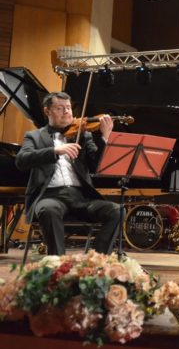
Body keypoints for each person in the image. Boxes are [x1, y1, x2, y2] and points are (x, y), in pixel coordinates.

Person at [15, 91, 120, 256]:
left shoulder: (83, 135)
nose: (66, 112)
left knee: (117, 211)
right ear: (47, 111)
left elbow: (97, 165)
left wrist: (105, 138)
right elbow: (21, 160)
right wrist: (55, 151)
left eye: (69, 108)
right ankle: (58, 263)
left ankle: (97, 260)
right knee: (48, 210)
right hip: (50, 196)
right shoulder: (35, 136)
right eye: (60, 108)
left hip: (81, 197)